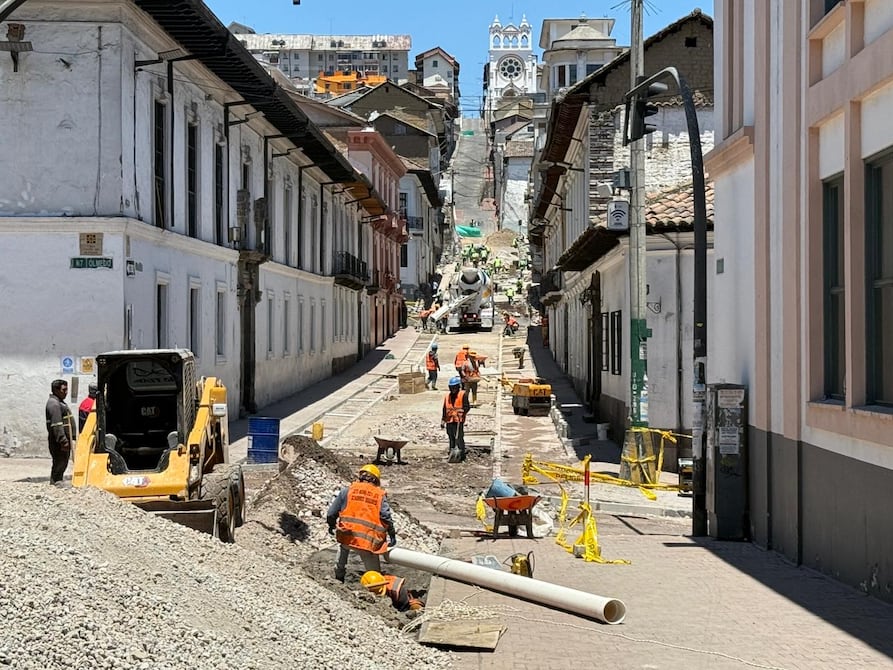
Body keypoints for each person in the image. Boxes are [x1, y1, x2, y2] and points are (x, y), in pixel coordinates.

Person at [326, 464, 396, 583]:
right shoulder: (379, 495)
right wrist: (392, 534)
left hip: (347, 535)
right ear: (375, 480)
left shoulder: (347, 491)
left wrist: (331, 525)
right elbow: (385, 516)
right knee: (375, 575)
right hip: (367, 540)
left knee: (343, 546)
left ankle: (338, 577)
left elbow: (331, 513)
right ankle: (376, 588)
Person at [45, 379, 74, 485]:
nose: (66, 392)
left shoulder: (59, 402)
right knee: (59, 462)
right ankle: (56, 482)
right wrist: (63, 441)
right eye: (64, 390)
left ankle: (57, 481)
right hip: (58, 443)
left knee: (62, 462)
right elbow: (57, 425)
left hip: (63, 441)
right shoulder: (54, 404)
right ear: (56, 390)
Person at [442, 376, 471, 463]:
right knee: (451, 436)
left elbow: (467, 407)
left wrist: (461, 412)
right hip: (449, 420)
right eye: (451, 387)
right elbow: (444, 409)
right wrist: (443, 420)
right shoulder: (447, 396)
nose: (453, 389)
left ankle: (461, 454)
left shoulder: (463, 395)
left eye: (454, 387)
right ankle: (452, 452)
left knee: (459, 437)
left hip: (459, 420)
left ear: (458, 387)